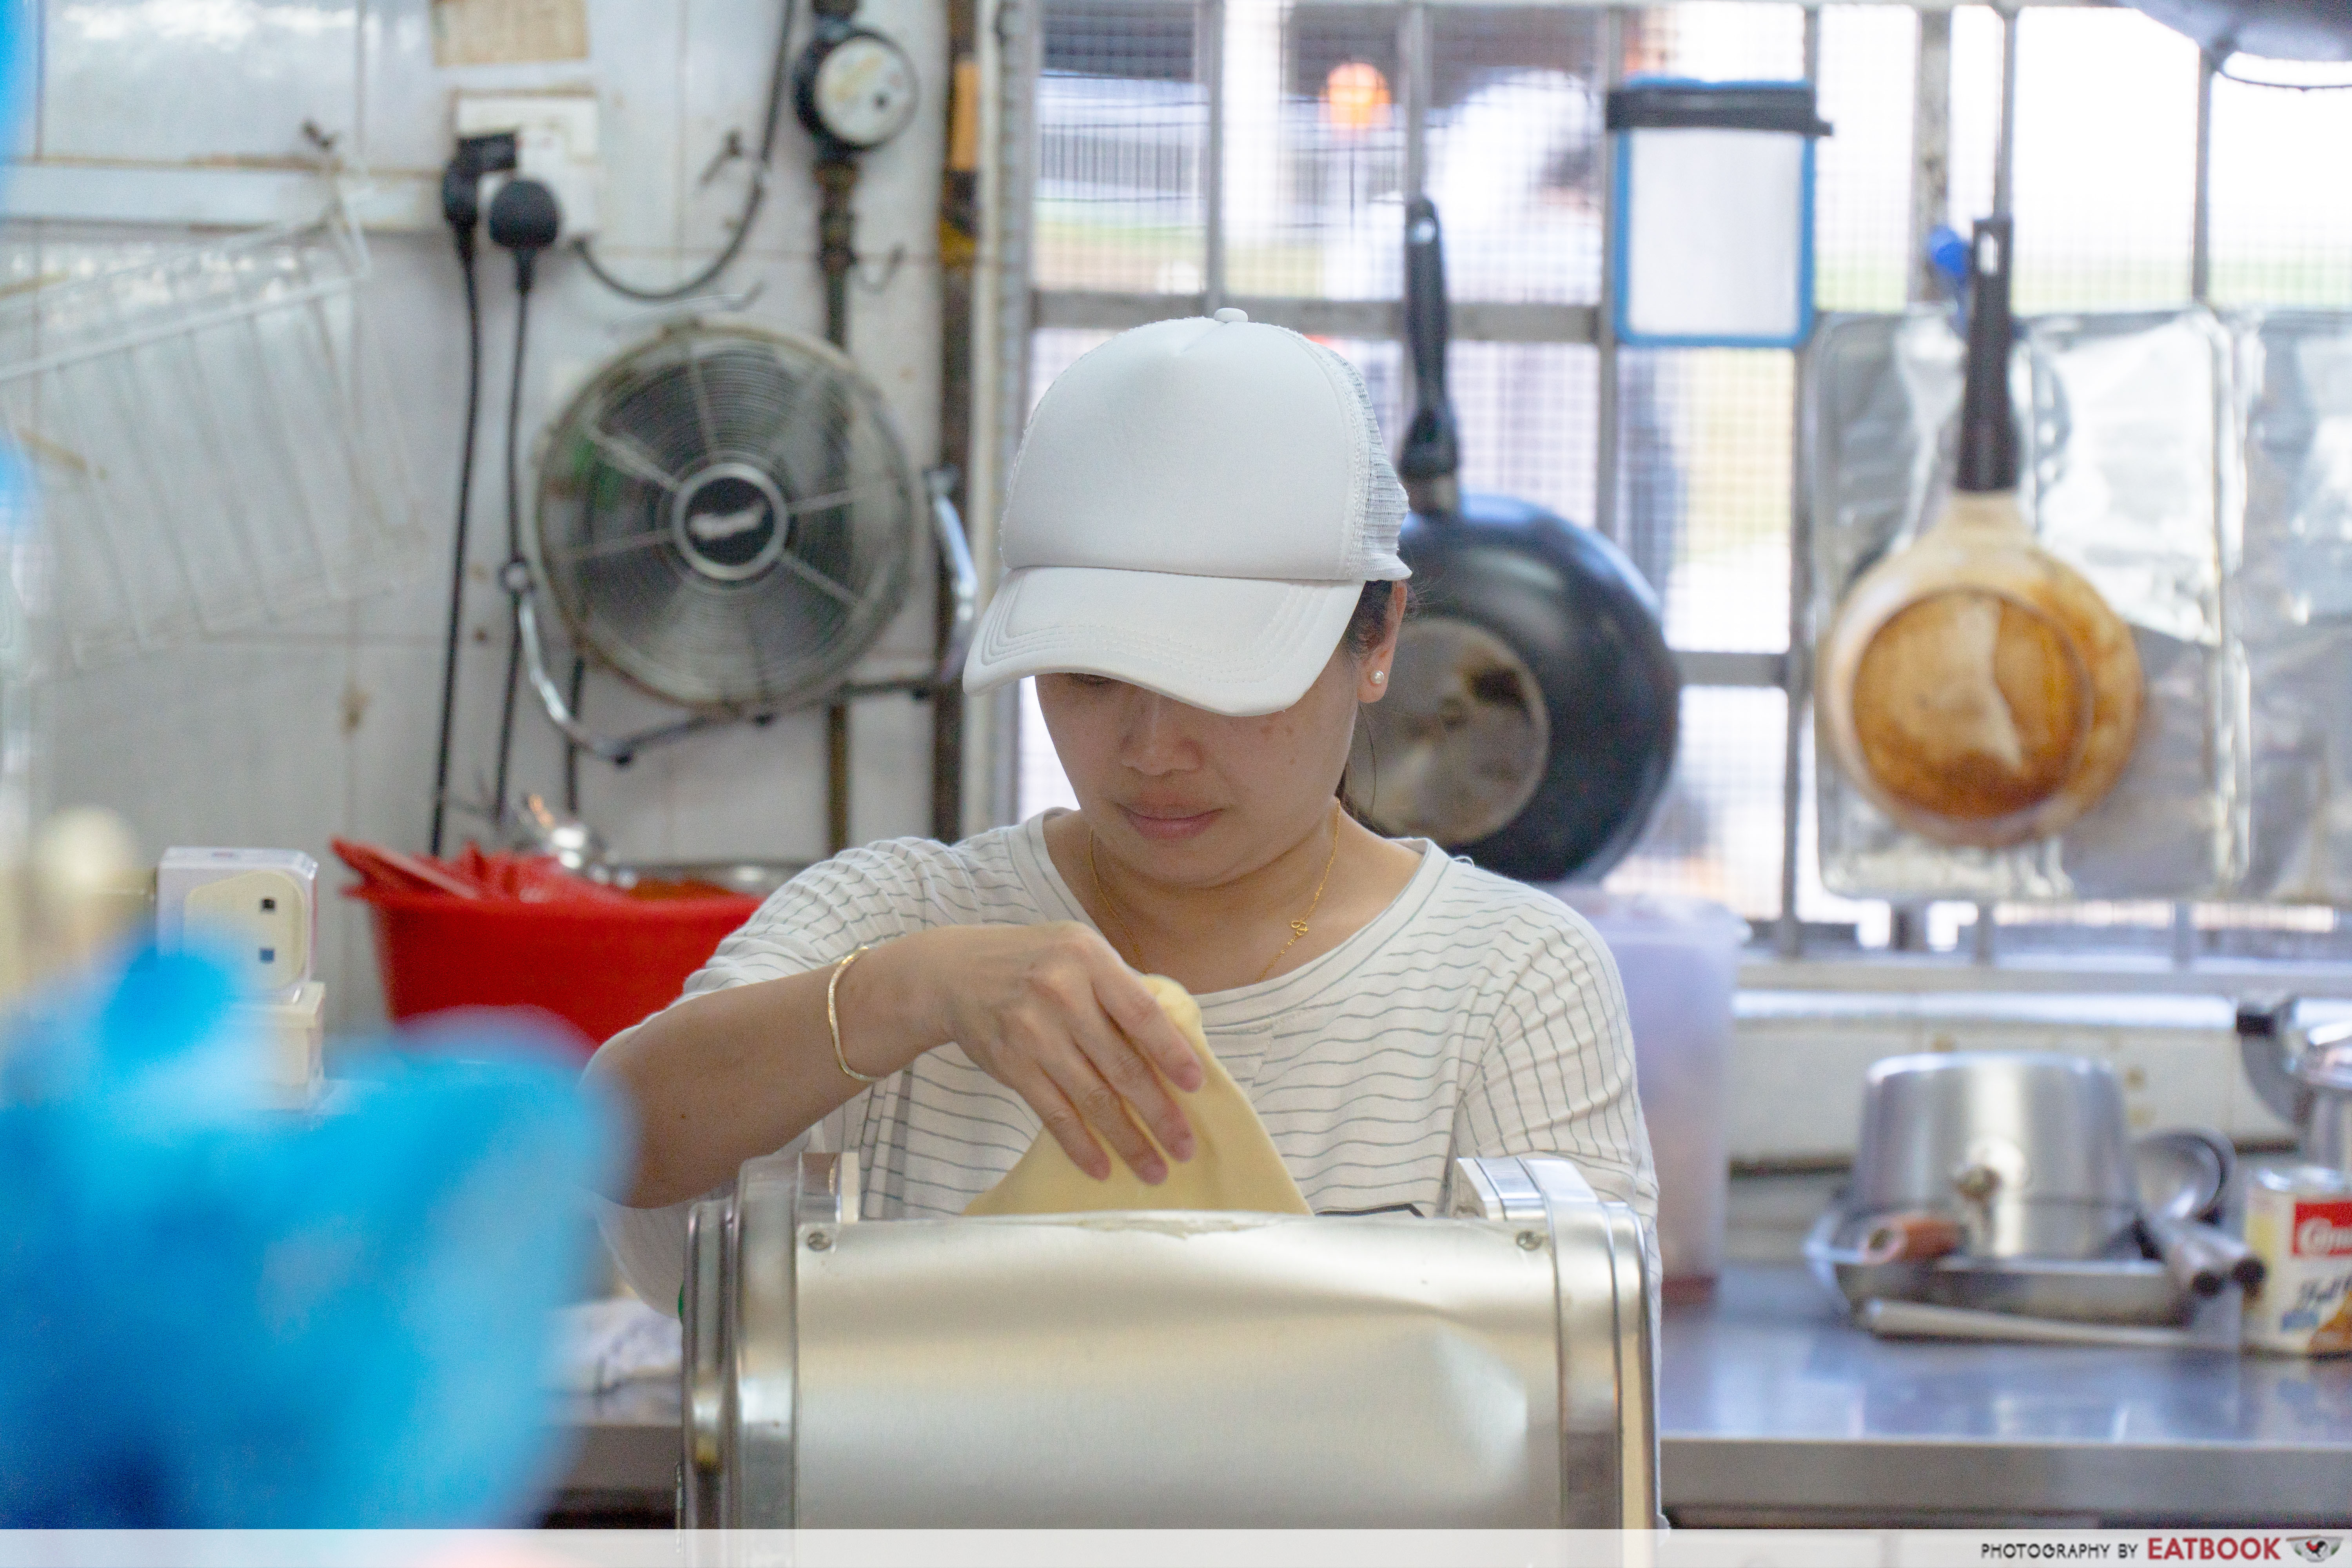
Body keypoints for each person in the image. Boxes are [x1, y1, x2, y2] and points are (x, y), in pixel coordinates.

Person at [586, 309, 1656, 1308]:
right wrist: (902, 995)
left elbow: (1568, 1380)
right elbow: (616, 1145)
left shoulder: (1507, 984)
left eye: (1220, 683)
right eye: (1089, 678)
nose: (1151, 753)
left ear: (1378, 643)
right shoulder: (901, 916)